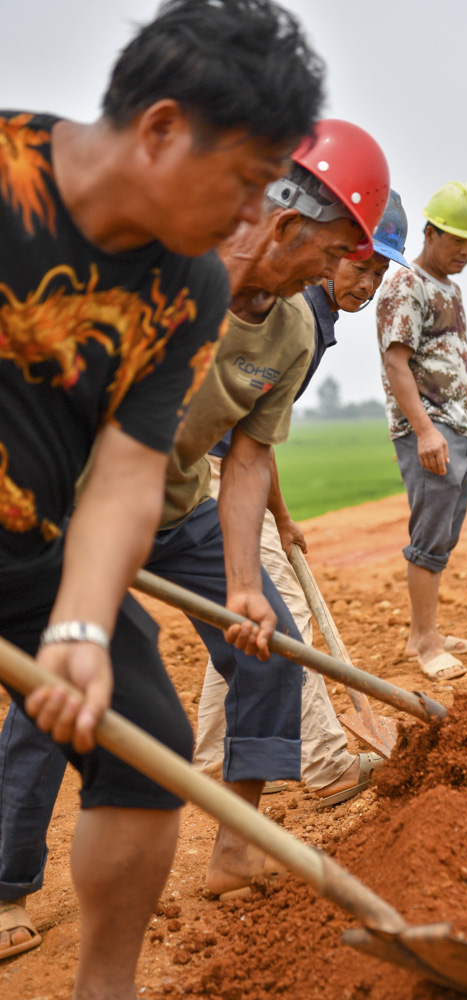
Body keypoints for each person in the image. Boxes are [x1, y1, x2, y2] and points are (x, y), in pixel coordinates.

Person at [0, 117, 389, 944]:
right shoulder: (159, 263)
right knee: (60, 688)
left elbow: (246, 459)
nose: (331, 277)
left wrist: (244, 584)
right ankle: (6, 890)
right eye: (329, 256)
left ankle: (236, 851)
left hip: (180, 510)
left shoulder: (289, 330)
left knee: (270, 647)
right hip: (70, 510)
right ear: (286, 225)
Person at [195, 190, 408, 807]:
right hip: (207, 473)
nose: (366, 283)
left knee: (244, 617)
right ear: (331, 252)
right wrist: (273, 513)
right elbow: (245, 440)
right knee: (280, 612)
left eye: (379, 271)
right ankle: (324, 763)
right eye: (358, 264)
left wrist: (281, 517)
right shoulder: (302, 315)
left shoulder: (314, 317)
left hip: (223, 468)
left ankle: (212, 752)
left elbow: (255, 432)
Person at [376, 181, 467, 681]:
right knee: (427, 535)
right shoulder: (407, 284)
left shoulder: (452, 288)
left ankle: (429, 631)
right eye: (456, 240)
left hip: (457, 427)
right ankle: (423, 643)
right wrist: (424, 431)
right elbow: (397, 363)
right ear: (429, 232)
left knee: (443, 533)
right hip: (429, 429)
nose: (465, 251)